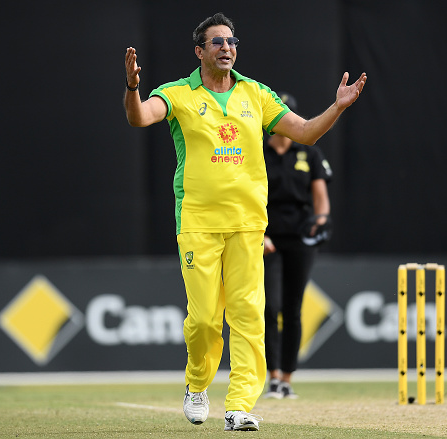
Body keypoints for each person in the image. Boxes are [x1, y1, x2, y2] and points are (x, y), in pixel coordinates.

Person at [123, 12, 366, 432]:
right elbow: (140, 117)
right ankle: (197, 385)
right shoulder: (179, 93)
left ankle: (239, 404)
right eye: (216, 42)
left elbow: (305, 132)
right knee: (203, 319)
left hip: (248, 224)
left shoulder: (256, 94)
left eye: (231, 41)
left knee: (250, 316)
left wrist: (338, 107)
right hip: (198, 222)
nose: (226, 47)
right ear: (199, 51)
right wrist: (132, 88)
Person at [261, 93, 333, 400]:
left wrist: (321, 219)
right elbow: (247, 194)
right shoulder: (257, 151)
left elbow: (320, 193)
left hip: (301, 237)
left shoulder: (308, 152)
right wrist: (258, 234)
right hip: (267, 238)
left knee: (292, 308)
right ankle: (272, 375)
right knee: (269, 307)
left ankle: (287, 378)